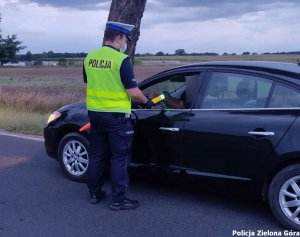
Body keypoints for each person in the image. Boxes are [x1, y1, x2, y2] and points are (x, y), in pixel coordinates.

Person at [83, 21, 154, 211]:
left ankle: (94, 193)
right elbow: (133, 92)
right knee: (119, 158)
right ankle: (118, 200)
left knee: (97, 155)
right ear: (118, 37)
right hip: (116, 119)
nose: (125, 44)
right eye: (125, 40)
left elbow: (90, 82)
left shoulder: (89, 57)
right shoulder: (121, 60)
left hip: (95, 115)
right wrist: (147, 102)